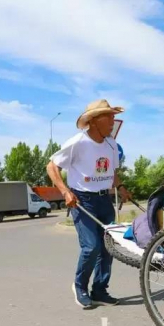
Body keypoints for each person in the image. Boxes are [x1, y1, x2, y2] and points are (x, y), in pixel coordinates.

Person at [46, 99, 132, 309]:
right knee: (91, 246)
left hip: (104, 199)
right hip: (82, 200)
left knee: (107, 248)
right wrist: (65, 191)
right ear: (94, 121)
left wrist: (121, 188)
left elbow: (112, 172)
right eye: (108, 116)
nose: (113, 120)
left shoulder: (111, 144)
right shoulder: (78, 142)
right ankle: (80, 287)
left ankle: (100, 290)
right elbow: (52, 166)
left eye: (113, 116)